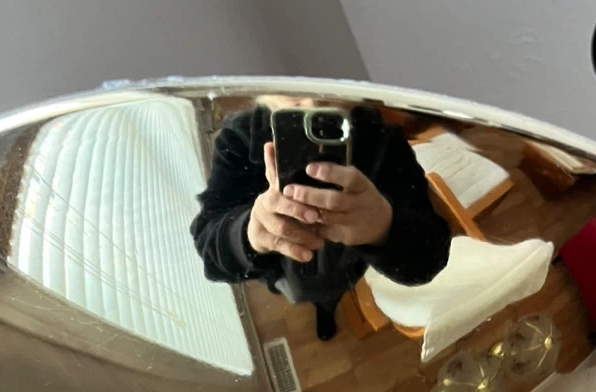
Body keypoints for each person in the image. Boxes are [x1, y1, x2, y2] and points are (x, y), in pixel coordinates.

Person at [190, 100, 451, 340]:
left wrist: (384, 226)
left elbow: (429, 258)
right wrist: (248, 232)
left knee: (330, 297)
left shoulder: (385, 142)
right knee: (296, 293)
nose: (312, 102)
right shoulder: (239, 137)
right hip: (282, 273)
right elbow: (209, 246)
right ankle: (320, 307)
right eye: (292, 79)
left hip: (343, 270)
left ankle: (326, 311)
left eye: (329, 82)